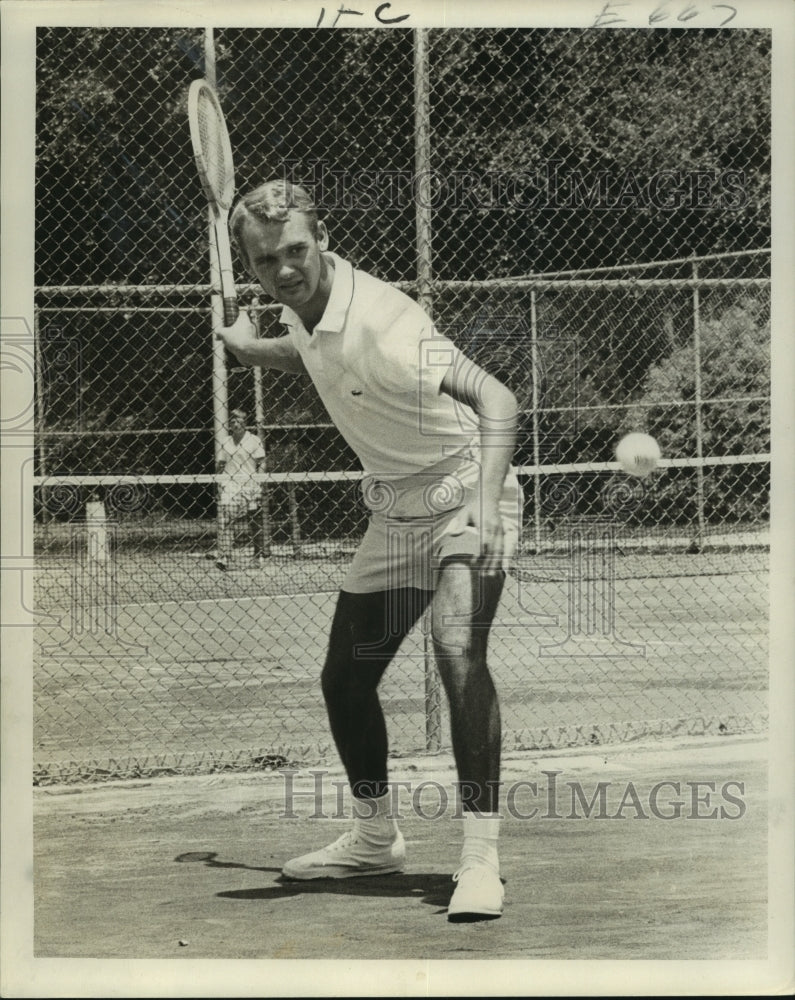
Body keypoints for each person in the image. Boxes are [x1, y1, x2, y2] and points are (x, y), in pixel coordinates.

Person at [216, 179, 521, 921]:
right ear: (250, 265)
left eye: (295, 251)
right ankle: (374, 838)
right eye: (265, 261)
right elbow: (315, 355)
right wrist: (249, 349)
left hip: (463, 493)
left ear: (322, 241)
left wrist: (482, 502)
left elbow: (498, 400)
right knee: (344, 680)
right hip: (396, 511)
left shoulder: (389, 322)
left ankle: (480, 861)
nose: (284, 270)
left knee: (455, 649)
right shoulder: (304, 306)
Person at [214, 409, 267, 570]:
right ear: (230, 424)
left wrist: (259, 485)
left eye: (239, 421)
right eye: (233, 421)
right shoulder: (225, 441)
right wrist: (218, 483)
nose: (236, 424)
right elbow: (220, 465)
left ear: (245, 423)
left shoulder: (254, 440)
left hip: (250, 484)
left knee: (254, 521)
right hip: (230, 485)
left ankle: (259, 556)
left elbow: (261, 463)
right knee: (226, 518)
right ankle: (224, 556)